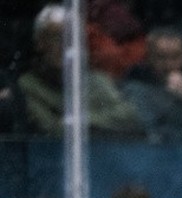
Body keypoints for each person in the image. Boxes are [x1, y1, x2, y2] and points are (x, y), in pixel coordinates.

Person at [18, 4, 143, 138]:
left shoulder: (97, 80)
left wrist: (78, 121)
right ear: (40, 43)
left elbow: (129, 118)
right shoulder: (27, 85)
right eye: (57, 38)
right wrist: (100, 121)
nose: (66, 46)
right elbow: (53, 130)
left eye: (73, 39)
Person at [121, 25, 182, 141]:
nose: (169, 64)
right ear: (149, 57)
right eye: (161, 57)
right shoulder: (134, 89)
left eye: (175, 57)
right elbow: (147, 132)